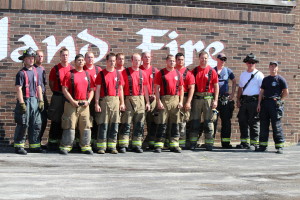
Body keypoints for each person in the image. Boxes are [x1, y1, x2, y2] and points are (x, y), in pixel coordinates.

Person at [59, 54, 95, 155]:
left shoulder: (87, 75)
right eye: (79, 60)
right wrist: (72, 101)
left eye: (82, 60)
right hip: (72, 104)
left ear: (84, 62)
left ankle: (85, 146)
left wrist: (89, 101)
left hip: (84, 105)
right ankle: (66, 146)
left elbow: (92, 90)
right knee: (69, 125)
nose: (81, 62)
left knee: (86, 126)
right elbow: (64, 90)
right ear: (75, 62)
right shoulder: (69, 74)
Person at [14, 47, 45, 155]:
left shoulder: (36, 72)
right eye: (29, 58)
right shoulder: (21, 73)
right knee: (23, 123)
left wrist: (41, 101)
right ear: (24, 60)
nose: (31, 60)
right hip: (25, 101)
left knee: (36, 124)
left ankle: (34, 145)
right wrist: (21, 103)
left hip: (35, 101)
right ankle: (19, 145)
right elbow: (18, 88)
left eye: (32, 57)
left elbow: (39, 87)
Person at [118, 53, 151, 153]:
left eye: (139, 60)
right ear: (131, 61)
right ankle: (123, 144)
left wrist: (147, 102)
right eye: (135, 60)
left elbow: (145, 88)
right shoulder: (125, 72)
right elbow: (121, 88)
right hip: (128, 99)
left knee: (139, 124)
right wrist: (122, 102)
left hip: (140, 99)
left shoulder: (143, 73)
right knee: (126, 123)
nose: (137, 62)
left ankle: (137, 144)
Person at [94, 53, 125, 154]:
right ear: (106, 61)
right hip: (104, 101)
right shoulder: (101, 74)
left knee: (115, 124)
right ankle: (101, 147)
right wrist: (97, 103)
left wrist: (122, 103)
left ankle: (112, 146)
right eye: (110, 61)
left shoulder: (118, 74)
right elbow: (97, 90)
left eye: (114, 61)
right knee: (103, 124)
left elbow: (120, 89)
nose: (112, 63)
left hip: (116, 101)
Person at [153, 54, 184, 153]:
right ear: (166, 61)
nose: (172, 63)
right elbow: (156, 88)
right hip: (164, 99)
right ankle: (159, 144)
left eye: (173, 61)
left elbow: (181, 89)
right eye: (170, 61)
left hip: (175, 99)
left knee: (175, 124)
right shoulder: (161, 73)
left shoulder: (178, 74)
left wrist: (181, 101)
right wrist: (158, 101)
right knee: (162, 123)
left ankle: (174, 144)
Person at [189, 51, 219, 151]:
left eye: (205, 58)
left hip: (208, 99)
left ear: (208, 59)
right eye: (202, 58)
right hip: (197, 99)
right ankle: (193, 142)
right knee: (195, 122)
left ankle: (209, 143)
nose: (204, 60)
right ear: (199, 58)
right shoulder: (194, 71)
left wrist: (215, 100)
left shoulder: (212, 71)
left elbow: (216, 86)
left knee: (209, 122)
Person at [256, 61, 288, 154]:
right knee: (263, 125)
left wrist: (279, 100)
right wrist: (259, 104)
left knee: (276, 126)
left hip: (275, 105)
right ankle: (262, 146)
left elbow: (286, 92)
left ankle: (279, 146)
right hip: (265, 103)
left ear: (277, 68)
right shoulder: (265, 79)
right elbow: (261, 92)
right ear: (269, 67)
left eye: (275, 66)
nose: (273, 68)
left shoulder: (280, 79)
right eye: (271, 66)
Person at [236, 53, 264, 150]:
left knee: (254, 122)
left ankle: (254, 143)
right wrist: (238, 100)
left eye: (252, 62)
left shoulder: (259, 75)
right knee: (242, 121)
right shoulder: (243, 74)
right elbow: (240, 88)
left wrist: (260, 103)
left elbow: (262, 90)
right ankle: (244, 142)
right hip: (244, 101)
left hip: (254, 101)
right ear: (246, 63)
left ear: (255, 63)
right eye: (249, 62)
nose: (250, 64)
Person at [48, 48, 73, 150]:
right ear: (60, 56)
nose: (65, 57)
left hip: (68, 98)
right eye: (63, 55)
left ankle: (64, 142)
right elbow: (51, 83)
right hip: (58, 97)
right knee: (56, 119)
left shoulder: (72, 69)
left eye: (66, 55)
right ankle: (53, 142)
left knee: (67, 119)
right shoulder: (55, 69)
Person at [213, 53, 236, 149]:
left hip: (224, 100)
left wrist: (232, 94)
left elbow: (234, 81)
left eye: (224, 59)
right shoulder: (212, 70)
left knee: (226, 121)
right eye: (221, 59)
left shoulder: (228, 71)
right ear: (217, 59)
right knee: (212, 121)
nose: (222, 61)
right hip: (214, 99)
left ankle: (226, 143)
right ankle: (210, 142)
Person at [174, 53, 195, 149]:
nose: (180, 61)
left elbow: (192, 88)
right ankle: (172, 142)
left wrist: (188, 102)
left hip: (185, 97)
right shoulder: (171, 71)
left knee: (183, 121)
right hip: (173, 98)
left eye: (182, 59)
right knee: (173, 121)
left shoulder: (188, 73)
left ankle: (182, 143)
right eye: (178, 59)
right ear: (175, 60)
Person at [140, 52, 159, 150]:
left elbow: (159, 85)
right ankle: (139, 141)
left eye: (149, 57)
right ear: (142, 58)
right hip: (140, 99)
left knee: (152, 121)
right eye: (145, 57)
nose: (147, 59)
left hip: (153, 99)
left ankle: (151, 141)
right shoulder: (139, 70)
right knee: (140, 121)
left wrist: (156, 95)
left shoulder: (155, 71)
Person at [84, 52, 102, 150]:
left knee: (96, 120)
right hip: (86, 99)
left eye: (92, 57)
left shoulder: (98, 70)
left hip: (96, 97)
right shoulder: (83, 69)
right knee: (86, 121)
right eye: (88, 57)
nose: (90, 59)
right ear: (85, 59)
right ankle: (84, 141)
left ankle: (94, 141)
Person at [34, 50, 48, 146]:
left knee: (44, 120)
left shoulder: (42, 69)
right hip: (35, 97)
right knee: (36, 120)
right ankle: (35, 141)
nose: (40, 58)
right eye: (38, 56)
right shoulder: (32, 68)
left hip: (43, 96)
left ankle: (39, 140)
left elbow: (44, 84)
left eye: (42, 56)